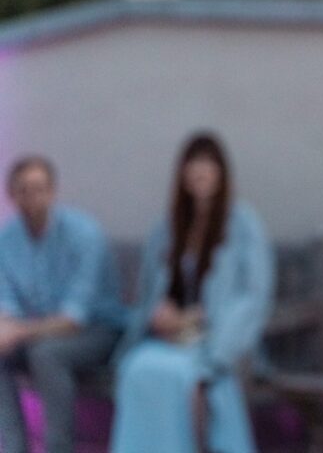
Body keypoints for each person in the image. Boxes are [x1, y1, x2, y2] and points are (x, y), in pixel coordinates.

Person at [111, 133, 274, 453]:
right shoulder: (167, 227)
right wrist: (159, 316)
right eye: (193, 163)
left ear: (221, 171)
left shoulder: (243, 224)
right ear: (182, 173)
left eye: (208, 163)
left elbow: (255, 295)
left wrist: (213, 334)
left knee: (181, 377)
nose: (200, 171)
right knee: (137, 368)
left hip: (219, 341)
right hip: (170, 339)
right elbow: (148, 294)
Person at [0, 156, 124, 453]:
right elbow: (6, 304)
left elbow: (74, 318)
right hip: (38, 331)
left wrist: (18, 331)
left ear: (53, 191)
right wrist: (7, 328)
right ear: (11, 194)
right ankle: (14, 446)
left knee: (47, 355)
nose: (31, 197)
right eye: (23, 189)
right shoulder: (6, 238)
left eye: (39, 188)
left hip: (98, 331)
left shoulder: (85, 235)